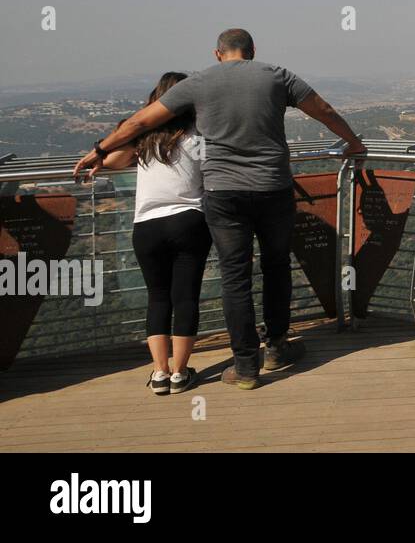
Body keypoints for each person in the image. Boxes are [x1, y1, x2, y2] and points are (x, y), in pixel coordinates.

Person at [74, 28, 366, 389]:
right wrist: (353, 142)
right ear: (252, 51)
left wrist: (100, 151)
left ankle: (245, 367)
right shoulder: (278, 76)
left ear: (217, 54)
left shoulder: (199, 82)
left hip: (223, 194)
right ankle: (276, 346)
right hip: (272, 188)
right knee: (276, 267)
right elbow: (323, 109)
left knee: (235, 276)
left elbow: (140, 122)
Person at [96, 73, 211, 395]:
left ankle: (159, 373)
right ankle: (180, 372)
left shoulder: (145, 139)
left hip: (146, 225)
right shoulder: (197, 136)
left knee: (157, 298)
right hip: (189, 220)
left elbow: (113, 162)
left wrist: (136, 128)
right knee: (185, 298)